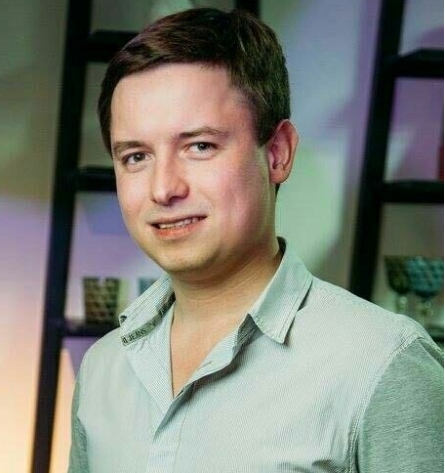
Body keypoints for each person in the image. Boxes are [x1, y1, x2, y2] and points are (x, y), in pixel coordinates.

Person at [69, 7, 443, 473]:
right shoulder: (103, 368)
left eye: (199, 146)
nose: (163, 188)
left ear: (278, 153)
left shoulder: (383, 363)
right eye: (136, 156)